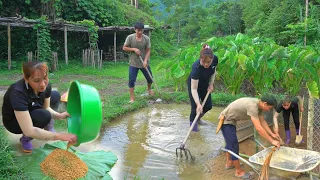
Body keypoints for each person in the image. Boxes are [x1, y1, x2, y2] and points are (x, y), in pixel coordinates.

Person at [1, 61, 77, 153]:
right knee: (44, 116)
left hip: (31, 108)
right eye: (36, 81)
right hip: (14, 122)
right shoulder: (17, 92)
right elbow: (29, 130)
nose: (42, 84)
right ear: (26, 79)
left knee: (55, 95)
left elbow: (46, 107)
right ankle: (25, 139)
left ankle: (48, 127)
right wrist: (59, 136)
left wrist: (59, 115)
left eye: (45, 78)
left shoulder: (46, 85)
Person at [218, 96, 280, 179]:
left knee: (230, 143)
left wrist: (272, 134)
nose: (269, 110)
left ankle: (229, 163)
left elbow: (262, 122)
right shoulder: (253, 107)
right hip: (226, 121)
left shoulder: (259, 106)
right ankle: (238, 172)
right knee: (233, 145)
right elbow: (258, 128)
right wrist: (272, 141)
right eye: (269, 108)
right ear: (265, 103)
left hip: (231, 121)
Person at [187, 44, 218, 132]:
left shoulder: (215, 59)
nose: (206, 64)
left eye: (208, 62)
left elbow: (213, 70)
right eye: (204, 62)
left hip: (205, 83)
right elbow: (193, 89)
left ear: (212, 59)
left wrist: (211, 83)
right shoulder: (196, 68)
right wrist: (198, 103)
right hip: (194, 86)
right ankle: (193, 130)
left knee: (208, 106)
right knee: (194, 109)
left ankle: (197, 119)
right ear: (200, 58)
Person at [123, 21, 153, 103]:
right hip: (134, 63)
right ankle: (132, 98)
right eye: (138, 30)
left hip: (144, 63)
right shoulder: (130, 38)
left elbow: (148, 51)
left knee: (150, 78)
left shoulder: (146, 39)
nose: (140, 32)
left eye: (142, 30)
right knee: (132, 80)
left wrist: (146, 61)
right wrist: (134, 49)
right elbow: (124, 48)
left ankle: (149, 89)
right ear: (135, 29)